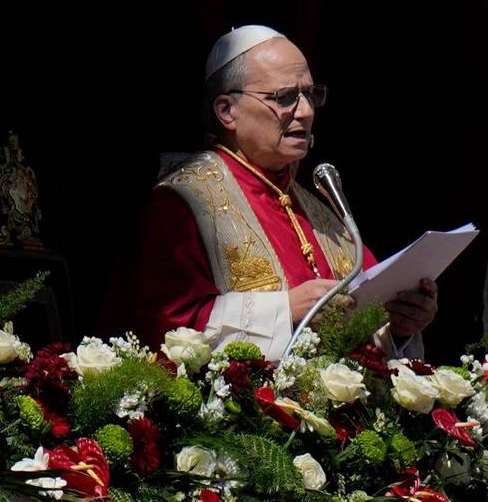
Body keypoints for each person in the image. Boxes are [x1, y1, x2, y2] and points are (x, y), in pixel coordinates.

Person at [119, 25, 437, 360]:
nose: (306, 111)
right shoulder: (184, 202)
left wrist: (399, 327)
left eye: (310, 95)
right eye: (284, 97)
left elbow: (364, 320)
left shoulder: (318, 208)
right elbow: (165, 328)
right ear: (227, 111)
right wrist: (285, 310)